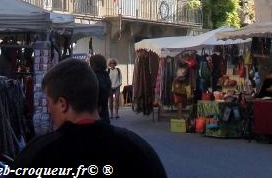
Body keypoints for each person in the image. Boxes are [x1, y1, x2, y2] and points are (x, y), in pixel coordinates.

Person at [13, 58, 166, 176]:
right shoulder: (138, 150)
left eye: (48, 102)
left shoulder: (38, 154)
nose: (49, 110)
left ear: (62, 104)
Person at [90, 53, 112, 124]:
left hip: (99, 107)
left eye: (91, 64)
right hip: (103, 107)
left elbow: (103, 90)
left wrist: (99, 105)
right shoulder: (105, 74)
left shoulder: (96, 75)